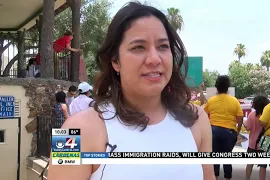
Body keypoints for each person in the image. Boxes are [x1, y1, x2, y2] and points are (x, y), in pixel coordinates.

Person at [47, 2, 213, 180]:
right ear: (115, 61)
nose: (154, 59)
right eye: (138, 47)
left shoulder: (198, 120)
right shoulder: (73, 130)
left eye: (163, 46)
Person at [204, 75, 243, 180]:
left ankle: (215, 177)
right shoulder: (234, 101)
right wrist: (237, 132)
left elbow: (202, 114)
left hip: (213, 132)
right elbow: (240, 119)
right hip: (229, 133)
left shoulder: (211, 101)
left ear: (217, 87)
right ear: (228, 87)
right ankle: (227, 177)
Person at [245, 95, 270, 180]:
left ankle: (247, 178)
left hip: (253, 143)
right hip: (265, 144)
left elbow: (248, 128)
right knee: (263, 166)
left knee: (250, 163)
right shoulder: (268, 116)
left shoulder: (252, 115)